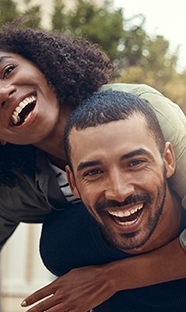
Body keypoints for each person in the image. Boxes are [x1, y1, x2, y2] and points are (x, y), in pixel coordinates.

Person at [0, 19, 185, 311]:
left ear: (42, 66)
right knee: (60, 243)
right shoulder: (14, 190)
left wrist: (111, 279)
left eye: (8, 70)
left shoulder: (142, 114)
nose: (1, 93)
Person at [37, 90, 186, 311]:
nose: (119, 192)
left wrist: (110, 278)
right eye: (94, 172)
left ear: (168, 160)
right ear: (73, 182)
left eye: (135, 163)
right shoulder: (63, 246)